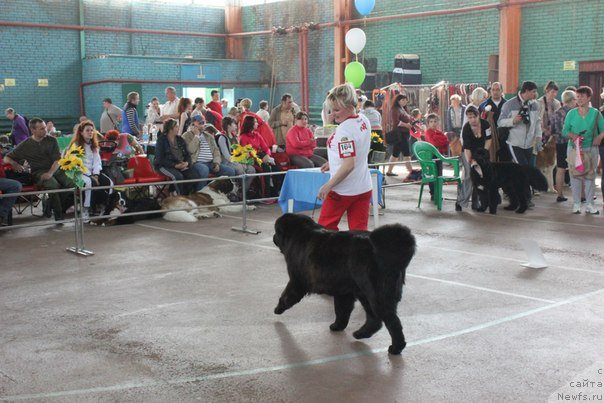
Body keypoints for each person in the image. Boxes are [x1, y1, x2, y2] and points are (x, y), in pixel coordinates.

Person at [317, 83, 372, 231]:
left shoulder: (344, 130)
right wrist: (334, 161)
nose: (332, 114)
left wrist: (328, 186)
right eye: (331, 109)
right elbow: (360, 150)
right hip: (363, 187)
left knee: (324, 230)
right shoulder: (363, 120)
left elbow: (348, 165)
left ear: (349, 106)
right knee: (359, 234)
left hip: (342, 191)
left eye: (336, 110)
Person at [4, 118, 74, 221]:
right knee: (53, 185)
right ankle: (59, 215)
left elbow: (57, 160)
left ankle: (50, 204)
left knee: (73, 184)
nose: (45, 130)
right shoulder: (25, 144)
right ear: (33, 130)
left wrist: (50, 173)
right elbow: (6, 157)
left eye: (45, 127)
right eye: (42, 129)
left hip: (56, 169)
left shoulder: (52, 140)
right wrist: (14, 163)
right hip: (38, 172)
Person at [562, 86, 604, 214]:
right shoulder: (571, 113)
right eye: (577, 97)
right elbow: (564, 131)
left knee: (590, 177)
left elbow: (603, 129)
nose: (579, 99)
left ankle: (590, 204)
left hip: (591, 148)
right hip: (574, 149)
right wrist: (572, 136)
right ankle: (576, 204)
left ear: (589, 98)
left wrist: (599, 137)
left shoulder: (596, 113)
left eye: (582, 97)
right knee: (575, 176)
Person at [68, 121, 112, 221]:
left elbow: (97, 162)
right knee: (88, 183)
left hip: (93, 173)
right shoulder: (75, 145)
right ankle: (85, 209)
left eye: (92, 130)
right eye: (87, 130)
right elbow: (77, 163)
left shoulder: (94, 145)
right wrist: (89, 175)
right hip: (79, 173)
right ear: (81, 132)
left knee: (109, 183)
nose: (90, 132)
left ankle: (103, 206)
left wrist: (96, 174)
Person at [182, 115, 235, 191]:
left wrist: (216, 163)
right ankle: (200, 195)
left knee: (230, 171)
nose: (203, 125)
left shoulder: (209, 136)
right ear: (193, 125)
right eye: (200, 123)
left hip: (211, 163)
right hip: (196, 163)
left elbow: (216, 151)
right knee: (204, 170)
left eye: (204, 122)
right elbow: (190, 150)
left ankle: (224, 193)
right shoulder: (186, 135)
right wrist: (196, 136)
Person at [456, 106, 492, 211]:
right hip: (469, 153)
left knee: (482, 177)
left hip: (482, 152)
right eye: (469, 117)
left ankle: (478, 203)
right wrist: (471, 161)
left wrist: (483, 153)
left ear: (479, 115)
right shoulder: (466, 128)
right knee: (469, 177)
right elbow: (467, 148)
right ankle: (461, 201)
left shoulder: (486, 124)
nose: (472, 120)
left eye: (474, 117)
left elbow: (489, 140)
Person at [154, 119, 200, 195]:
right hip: (164, 166)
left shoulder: (180, 139)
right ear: (171, 129)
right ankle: (180, 197)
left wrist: (187, 163)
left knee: (194, 176)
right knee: (178, 177)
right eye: (176, 127)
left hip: (180, 164)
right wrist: (174, 165)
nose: (178, 128)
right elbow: (160, 159)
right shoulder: (161, 140)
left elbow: (187, 154)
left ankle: (184, 195)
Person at [239, 115, 281, 196]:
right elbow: (245, 153)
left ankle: (276, 191)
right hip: (252, 159)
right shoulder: (243, 137)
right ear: (250, 124)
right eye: (255, 122)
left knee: (277, 166)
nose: (257, 123)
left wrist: (267, 156)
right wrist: (260, 158)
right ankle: (266, 193)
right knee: (266, 169)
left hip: (262, 156)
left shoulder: (257, 135)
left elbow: (266, 148)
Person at [549, 89, 576, 202]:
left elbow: (552, 130)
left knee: (560, 168)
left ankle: (560, 194)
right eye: (575, 99)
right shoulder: (573, 113)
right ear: (571, 100)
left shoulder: (556, 113)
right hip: (571, 143)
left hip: (559, 143)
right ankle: (580, 195)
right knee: (575, 169)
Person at [216, 116, 255, 190]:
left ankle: (243, 191)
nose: (236, 125)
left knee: (252, 169)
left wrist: (243, 161)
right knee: (240, 169)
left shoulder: (235, 138)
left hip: (236, 161)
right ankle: (237, 190)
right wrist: (239, 163)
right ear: (228, 126)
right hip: (227, 162)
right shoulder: (222, 138)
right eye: (234, 124)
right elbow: (227, 157)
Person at [385, 93, 413, 177]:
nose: (405, 101)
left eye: (406, 100)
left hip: (403, 133)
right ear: (398, 101)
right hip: (400, 134)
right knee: (406, 153)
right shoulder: (395, 109)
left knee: (395, 153)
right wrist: (406, 125)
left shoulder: (402, 109)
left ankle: (389, 171)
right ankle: (411, 171)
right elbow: (396, 122)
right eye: (403, 100)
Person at [538, 81, 561, 145]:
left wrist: (552, 130)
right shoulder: (539, 102)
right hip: (541, 133)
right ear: (547, 91)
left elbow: (558, 119)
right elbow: (538, 119)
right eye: (552, 92)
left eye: (556, 92)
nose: (554, 94)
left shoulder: (557, 103)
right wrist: (544, 130)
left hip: (553, 133)